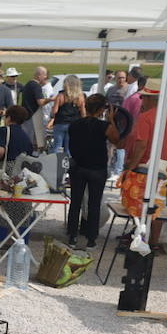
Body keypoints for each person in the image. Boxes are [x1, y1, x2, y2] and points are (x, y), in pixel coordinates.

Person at [67, 95, 117, 248]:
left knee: (75, 203)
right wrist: (112, 120)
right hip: (97, 168)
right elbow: (116, 139)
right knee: (94, 204)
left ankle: (72, 235)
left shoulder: (74, 124)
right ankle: (91, 238)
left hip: (78, 166)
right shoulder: (104, 126)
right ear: (102, 109)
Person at [47, 74, 83, 155]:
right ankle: (68, 165)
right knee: (69, 148)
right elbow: (83, 112)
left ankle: (54, 163)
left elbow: (54, 111)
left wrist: (52, 115)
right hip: (73, 124)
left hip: (60, 123)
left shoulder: (61, 96)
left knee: (57, 146)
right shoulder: (80, 97)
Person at [0, 105, 34, 171]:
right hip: (21, 170)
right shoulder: (25, 136)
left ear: (9, 118)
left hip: (5, 169)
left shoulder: (3, 130)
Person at [20, 66, 52, 147]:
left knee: (27, 137)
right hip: (33, 115)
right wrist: (51, 99)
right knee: (34, 140)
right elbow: (40, 102)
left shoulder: (28, 84)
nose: (45, 77)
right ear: (39, 75)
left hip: (26, 115)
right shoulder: (36, 86)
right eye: (44, 75)